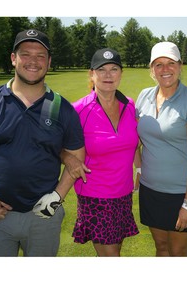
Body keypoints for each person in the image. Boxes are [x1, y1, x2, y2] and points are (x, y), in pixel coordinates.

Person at [0, 29, 86, 257]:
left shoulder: (62, 108)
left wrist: (56, 197)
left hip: (42, 220)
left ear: (49, 62)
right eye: (26, 54)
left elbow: (77, 154)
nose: (33, 61)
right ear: (13, 58)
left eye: (40, 56)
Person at [135, 42, 187, 257]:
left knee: (178, 253)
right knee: (161, 248)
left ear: (180, 65)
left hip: (183, 193)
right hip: (151, 190)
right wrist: (139, 167)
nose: (165, 69)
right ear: (151, 69)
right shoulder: (144, 96)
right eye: (158, 64)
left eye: (170, 63)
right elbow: (134, 138)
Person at [65, 48, 140, 257]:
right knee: (111, 257)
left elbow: (133, 142)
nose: (108, 75)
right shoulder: (78, 110)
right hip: (95, 195)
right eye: (102, 69)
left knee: (114, 251)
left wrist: (140, 166)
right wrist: (68, 158)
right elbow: (57, 145)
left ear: (121, 73)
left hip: (123, 194)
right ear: (92, 74)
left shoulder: (130, 106)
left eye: (114, 69)